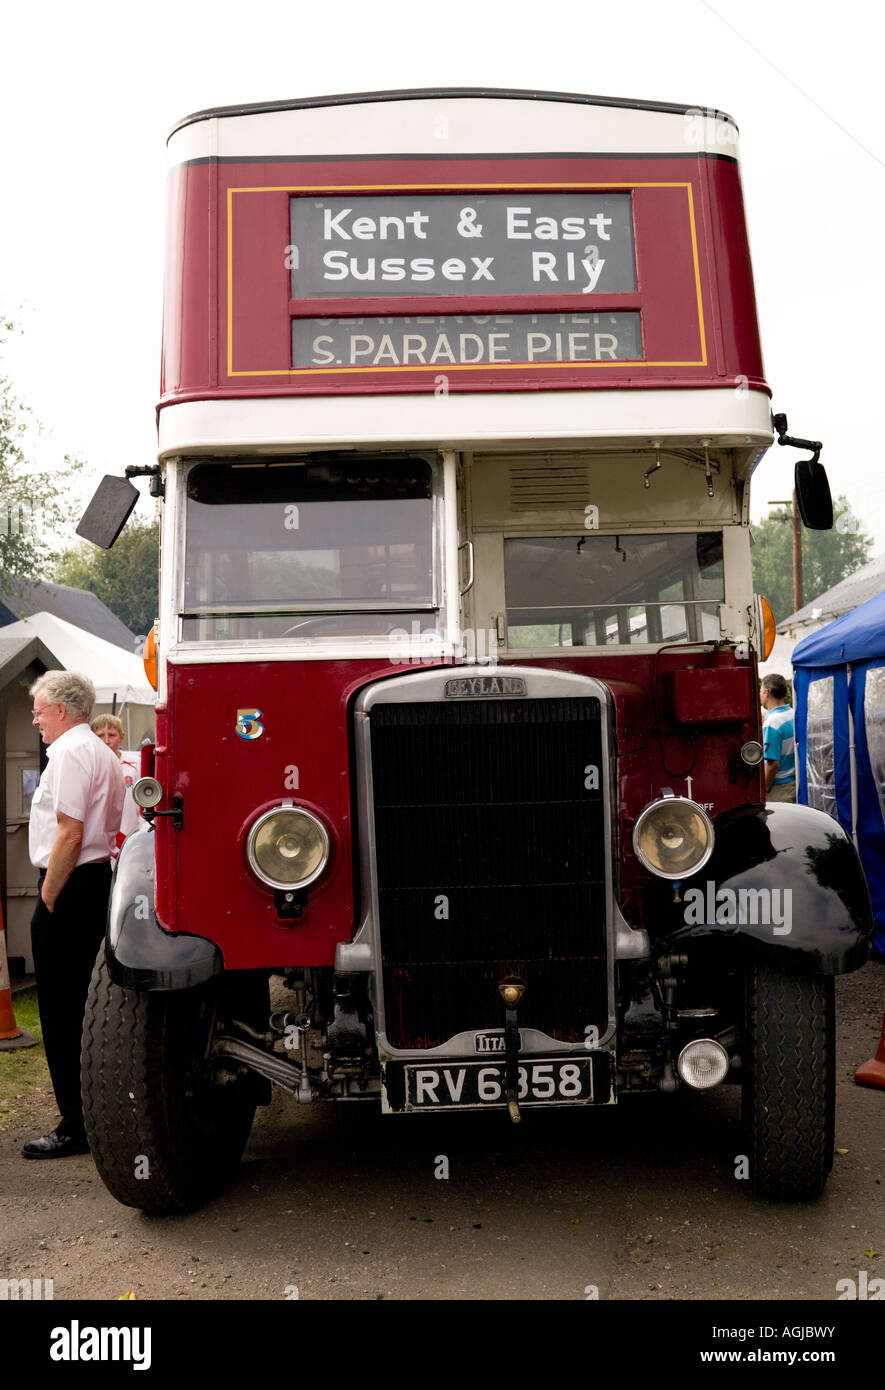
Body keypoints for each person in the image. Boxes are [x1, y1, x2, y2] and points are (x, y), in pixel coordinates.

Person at [23, 672, 125, 1159]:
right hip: (96, 881)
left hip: (70, 884)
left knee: (63, 1012)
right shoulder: (102, 752)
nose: (36, 719)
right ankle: (93, 1112)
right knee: (89, 1009)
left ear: (61, 709)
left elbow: (68, 832)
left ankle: (75, 1124)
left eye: (40, 709)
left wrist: (47, 894)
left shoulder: (67, 752)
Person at [90, 712, 141, 850]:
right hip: (101, 841)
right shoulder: (89, 766)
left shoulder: (136, 763)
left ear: (122, 737)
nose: (106, 740)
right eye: (100, 736)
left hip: (133, 835)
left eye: (111, 735)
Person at [760, 673, 796, 803]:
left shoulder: (772, 723)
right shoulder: (793, 714)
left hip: (779, 790)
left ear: (766, 693)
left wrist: (764, 789)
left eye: (760, 690)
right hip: (794, 785)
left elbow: (772, 764)